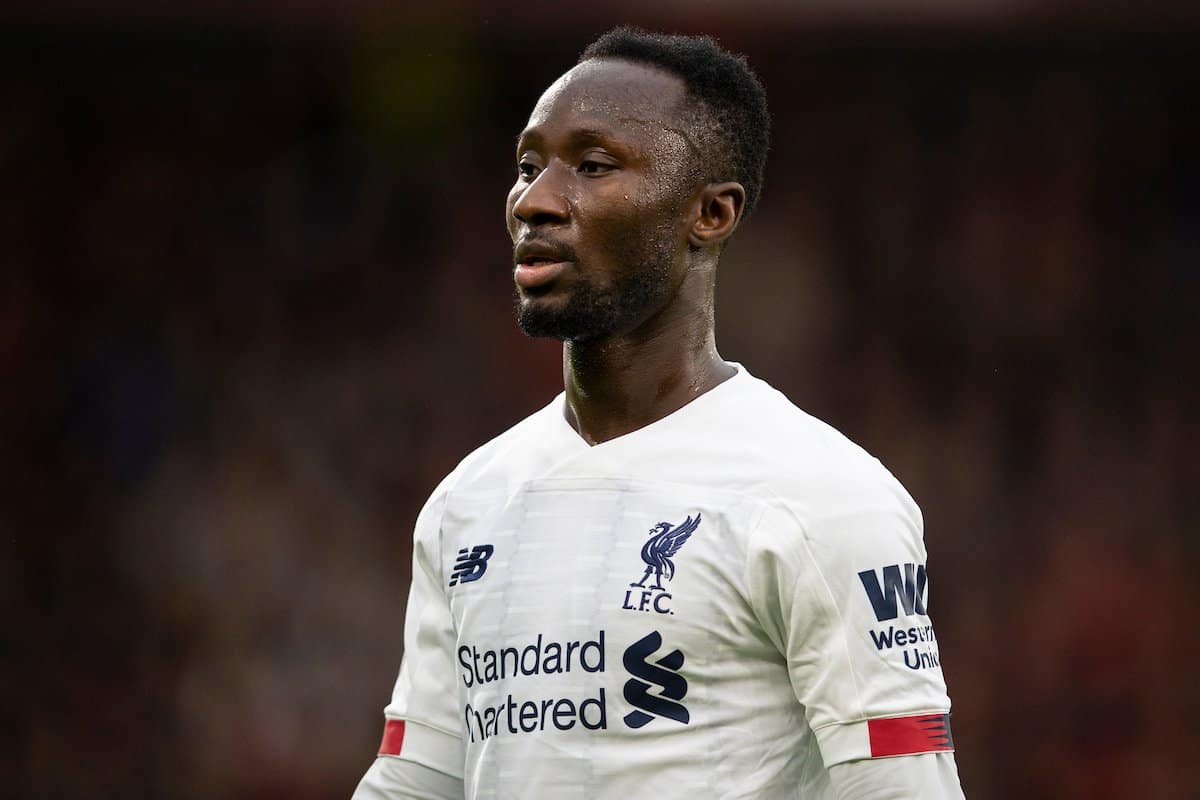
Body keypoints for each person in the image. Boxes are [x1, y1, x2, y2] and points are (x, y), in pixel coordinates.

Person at [353, 26, 964, 800]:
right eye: (529, 166)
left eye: (594, 166)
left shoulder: (823, 497)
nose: (535, 201)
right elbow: (415, 782)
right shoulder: (468, 504)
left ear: (709, 213)